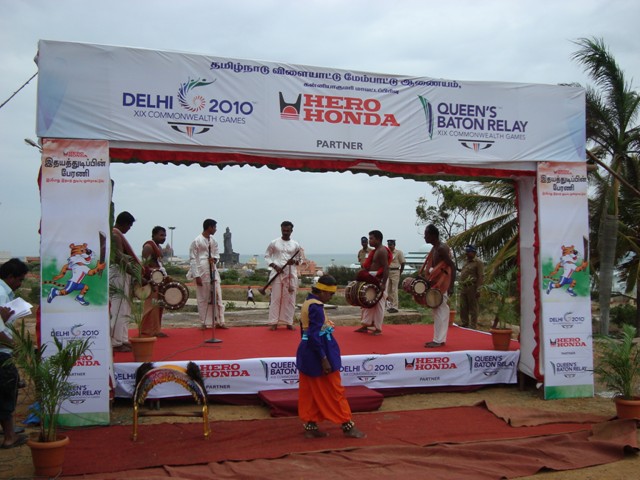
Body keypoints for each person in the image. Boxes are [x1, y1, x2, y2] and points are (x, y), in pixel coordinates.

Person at [296, 275, 366, 439]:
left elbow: (305, 332)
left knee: (310, 391)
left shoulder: (308, 302)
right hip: (319, 352)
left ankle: (311, 425)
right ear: (322, 291)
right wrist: (324, 359)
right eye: (330, 294)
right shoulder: (316, 307)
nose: (331, 297)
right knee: (334, 390)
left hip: (308, 351)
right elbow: (314, 335)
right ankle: (347, 425)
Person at [0, 258, 29, 449]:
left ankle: (8, 429)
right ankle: (10, 436)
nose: (20, 284)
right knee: (6, 392)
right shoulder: (1, 293)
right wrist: (15, 348)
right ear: (10, 277)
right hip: (2, 351)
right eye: (20, 280)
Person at [420, 224, 456, 348]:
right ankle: (437, 339)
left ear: (433, 235)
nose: (424, 237)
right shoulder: (435, 248)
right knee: (437, 311)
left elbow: (452, 266)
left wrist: (451, 286)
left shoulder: (441, 248)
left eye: (426, 234)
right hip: (436, 283)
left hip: (443, 282)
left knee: (441, 310)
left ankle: (439, 340)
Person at [110, 211, 141, 353]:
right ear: (124, 223)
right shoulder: (115, 235)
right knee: (118, 307)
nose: (129, 229)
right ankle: (115, 342)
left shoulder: (117, 235)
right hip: (119, 272)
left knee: (125, 308)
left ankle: (122, 338)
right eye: (129, 226)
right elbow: (119, 258)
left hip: (123, 273)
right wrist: (135, 274)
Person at [188, 219, 227, 329]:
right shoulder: (197, 241)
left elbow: (217, 254)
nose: (216, 230)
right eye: (214, 227)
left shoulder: (213, 241)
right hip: (202, 271)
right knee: (203, 298)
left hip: (213, 270)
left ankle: (220, 321)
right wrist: (196, 276)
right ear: (209, 227)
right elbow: (192, 259)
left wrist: (214, 259)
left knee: (218, 296)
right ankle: (205, 322)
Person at [265, 221, 303, 331]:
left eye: (288, 230)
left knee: (290, 299)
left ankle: (288, 322)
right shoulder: (274, 243)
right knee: (275, 298)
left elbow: (300, 260)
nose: (285, 232)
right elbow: (267, 256)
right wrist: (274, 266)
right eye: (283, 230)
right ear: (281, 229)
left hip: (290, 274)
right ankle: (273, 322)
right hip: (277, 273)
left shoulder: (296, 245)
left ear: (291, 231)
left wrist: (294, 262)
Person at [354, 230, 390, 336]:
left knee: (379, 303)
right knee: (367, 301)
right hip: (372, 277)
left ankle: (378, 328)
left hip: (380, 279)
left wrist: (383, 283)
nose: (369, 241)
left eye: (371, 238)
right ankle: (366, 325)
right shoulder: (376, 250)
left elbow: (386, 267)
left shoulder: (382, 251)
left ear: (378, 239)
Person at [140, 226, 168, 338]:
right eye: (161, 235)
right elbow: (144, 266)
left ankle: (156, 329)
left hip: (159, 278)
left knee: (159, 305)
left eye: (165, 235)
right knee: (151, 305)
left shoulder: (158, 247)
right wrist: (150, 278)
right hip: (152, 279)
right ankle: (147, 330)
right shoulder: (148, 247)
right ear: (154, 235)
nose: (163, 238)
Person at [459, 244, 483, 329]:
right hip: (463, 286)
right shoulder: (466, 262)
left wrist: (478, 289)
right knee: (463, 306)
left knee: (473, 306)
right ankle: (464, 322)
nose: (467, 253)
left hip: (472, 287)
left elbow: (480, 276)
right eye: (466, 252)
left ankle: (473, 324)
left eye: (468, 252)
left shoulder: (478, 262)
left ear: (474, 252)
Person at [386, 239, 405, 313]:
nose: (389, 246)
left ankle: (395, 307)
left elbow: (403, 262)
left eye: (391, 245)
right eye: (388, 245)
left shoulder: (398, 252)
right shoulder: (387, 253)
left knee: (394, 289)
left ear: (394, 245)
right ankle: (391, 305)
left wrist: (400, 271)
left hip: (395, 271)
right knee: (388, 290)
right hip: (388, 271)